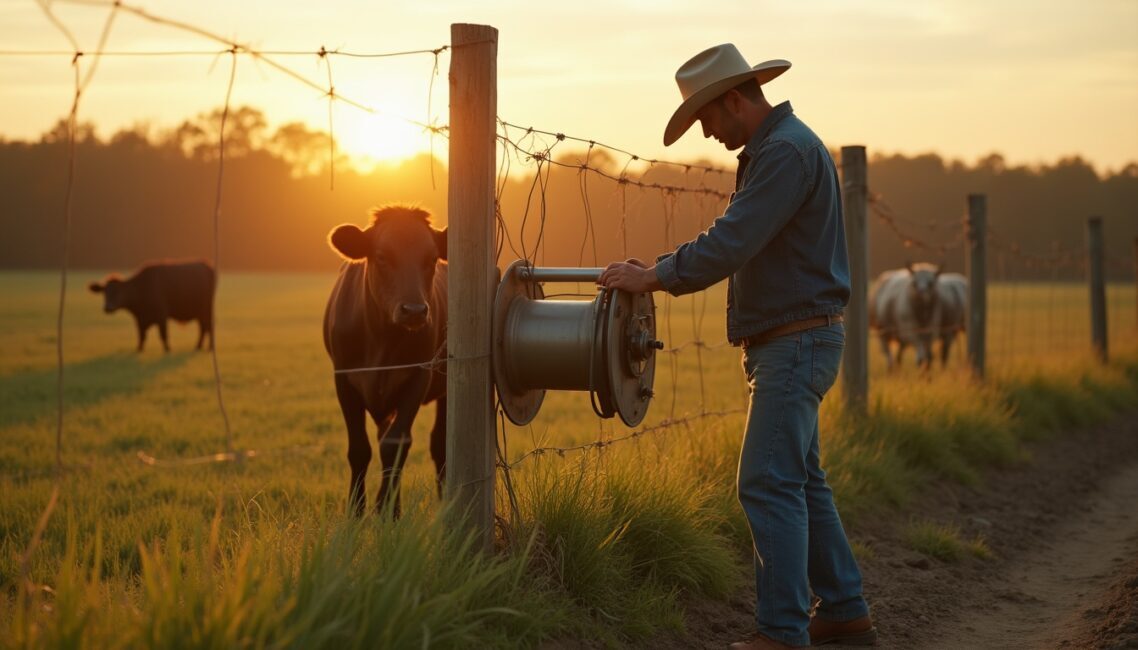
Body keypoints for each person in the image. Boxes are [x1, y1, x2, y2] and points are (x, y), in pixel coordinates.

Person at [597, 44, 876, 649]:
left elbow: (733, 240)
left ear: (733, 100)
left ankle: (780, 632)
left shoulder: (782, 153)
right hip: (801, 336)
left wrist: (656, 274)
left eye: (707, 119)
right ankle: (845, 609)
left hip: (794, 342)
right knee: (801, 477)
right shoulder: (788, 146)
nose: (708, 133)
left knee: (766, 482)